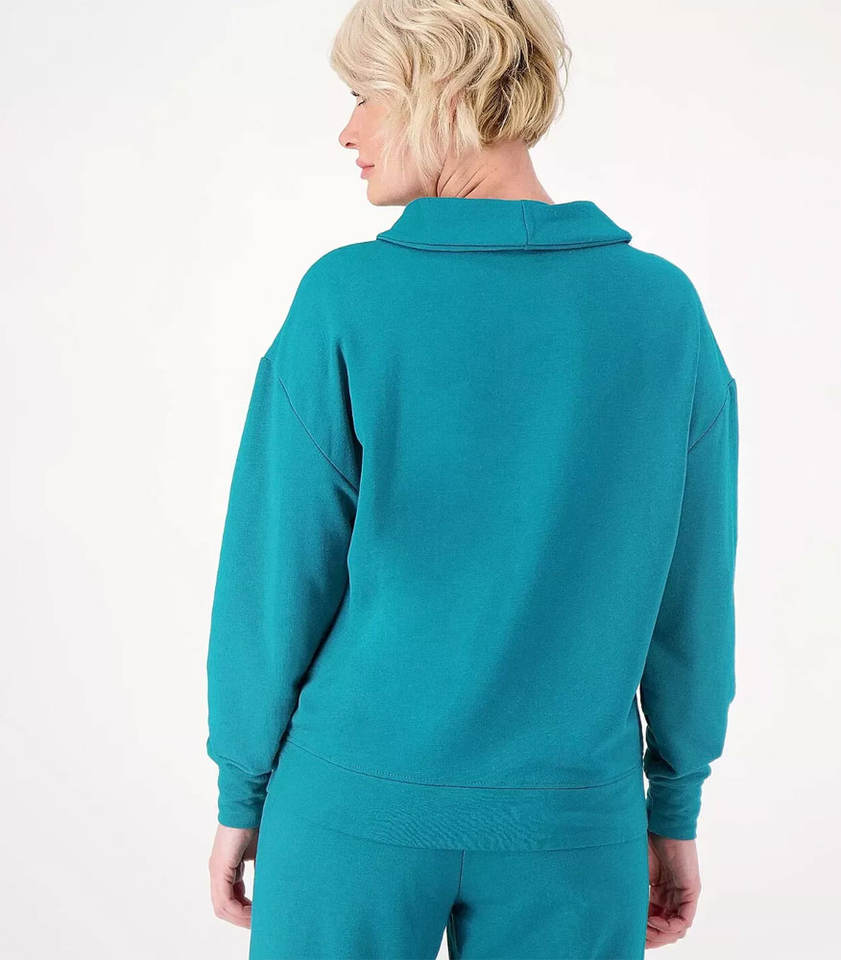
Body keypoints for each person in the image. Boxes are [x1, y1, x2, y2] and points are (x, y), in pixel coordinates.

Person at [205, 1, 739, 957]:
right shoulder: (663, 310)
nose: (348, 132)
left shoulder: (347, 298)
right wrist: (675, 803)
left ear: (439, 93)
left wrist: (242, 790)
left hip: (349, 812)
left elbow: (277, 575)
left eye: (365, 95)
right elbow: (692, 594)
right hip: (574, 825)